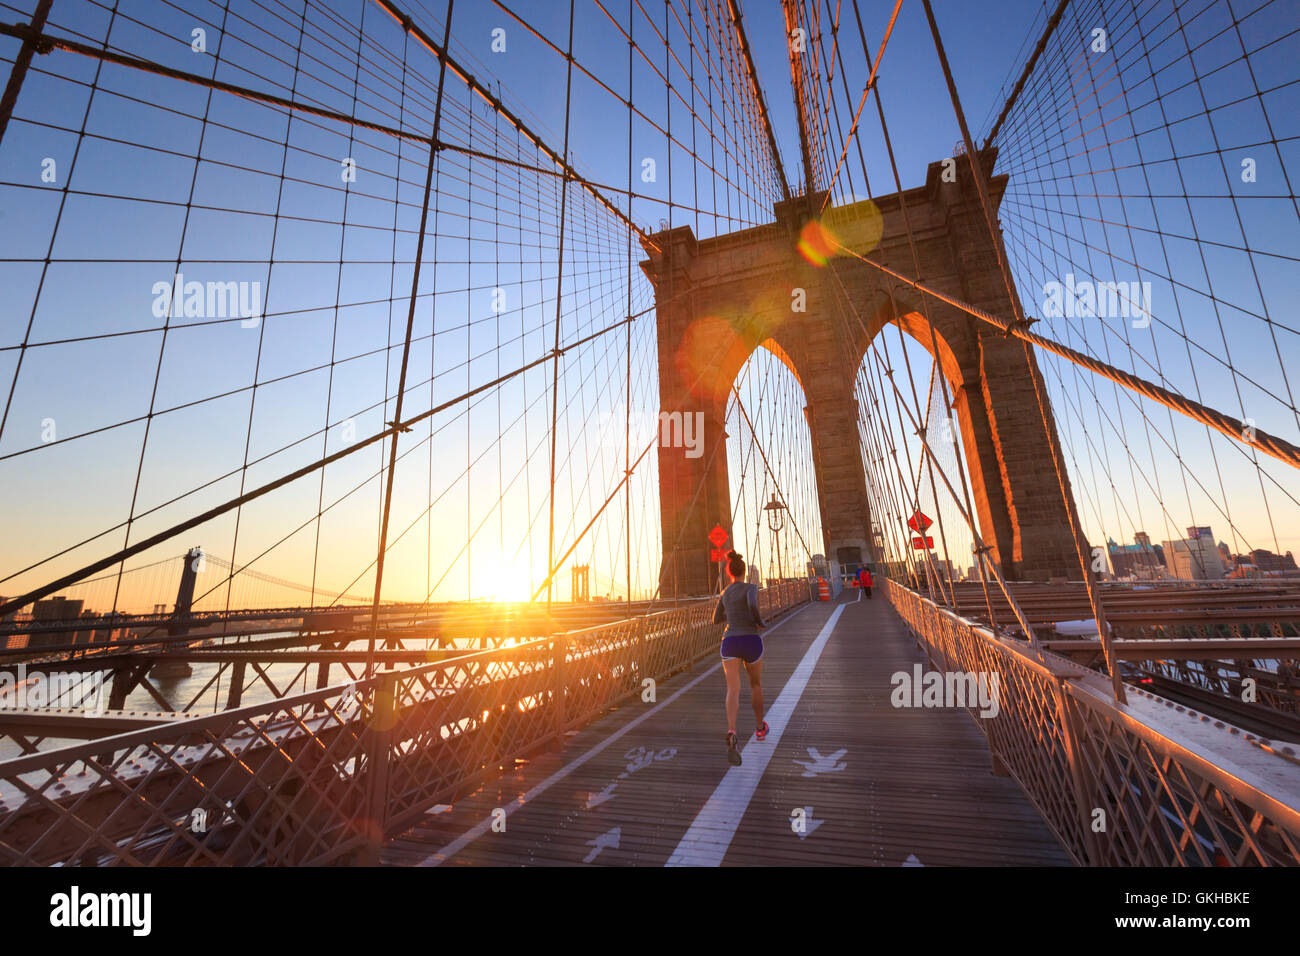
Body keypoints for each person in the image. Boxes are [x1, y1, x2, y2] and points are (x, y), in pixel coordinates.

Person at [712, 550, 768, 765]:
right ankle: (760, 728)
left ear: (729, 572)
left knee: (733, 689)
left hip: (730, 641)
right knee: (755, 685)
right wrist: (759, 621)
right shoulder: (751, 588)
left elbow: (716, 619)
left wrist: (731, 614)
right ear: (745, 571)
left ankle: (732, 731)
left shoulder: (725, 592)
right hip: (751, 640)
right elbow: (753, 606)